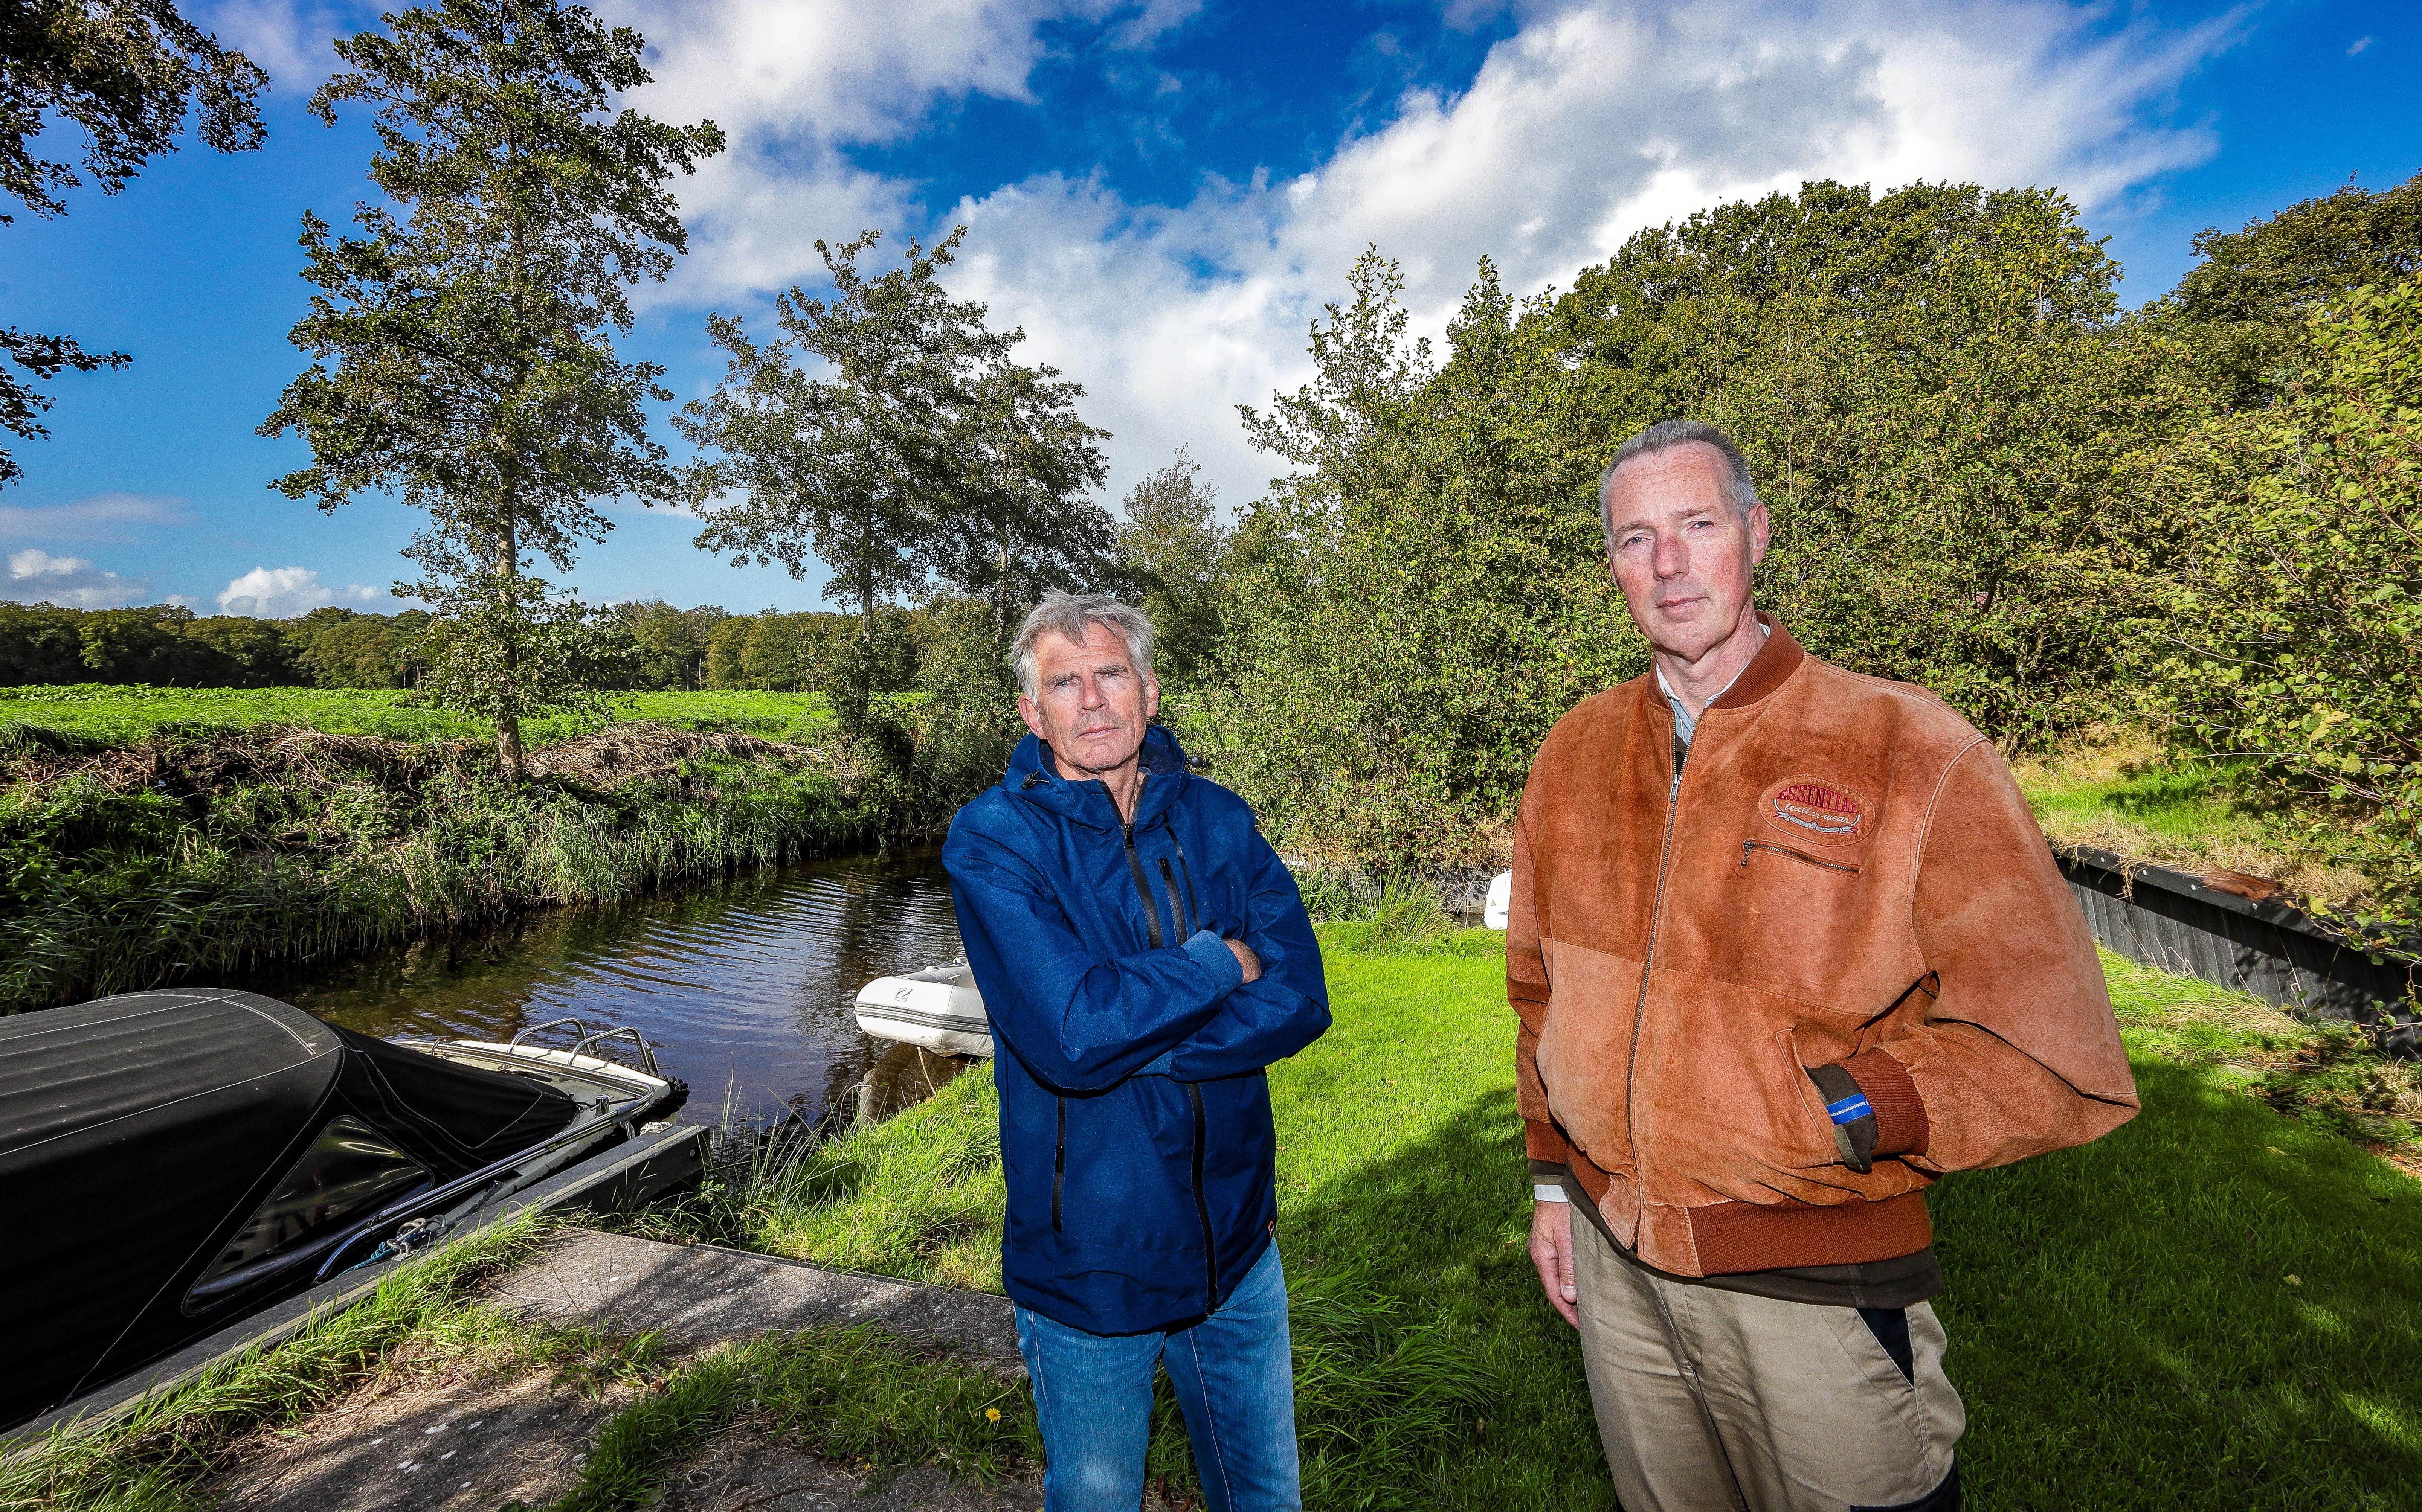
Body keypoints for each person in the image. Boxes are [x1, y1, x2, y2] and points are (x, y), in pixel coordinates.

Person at [1509, 419, 2140, 1511]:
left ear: (1755, 534)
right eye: (1634, 539)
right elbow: (1538, 990)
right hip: (1618, 1275)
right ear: (1610, 565)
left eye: (1697, 525)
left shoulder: (1907, 744)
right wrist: (1554, 1181)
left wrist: (1842, 1111)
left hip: (1817, 1286)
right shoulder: (1570, 754)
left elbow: (2048, 1038)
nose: (1667, 564)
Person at [944, 591, 1331, 1512]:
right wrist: (1213, 960)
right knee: (1096, 1498)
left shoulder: (1219, 821)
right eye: (1064, 683)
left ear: (1150, 690)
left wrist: (1142, 1041)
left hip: (1238, 1250)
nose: (1091, 700)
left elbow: (1300, 995)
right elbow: (1076, 1033)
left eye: (1110, 672)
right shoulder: (994, 841)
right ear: (1033, 713)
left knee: (1266, 1495)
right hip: (1092, 1266)